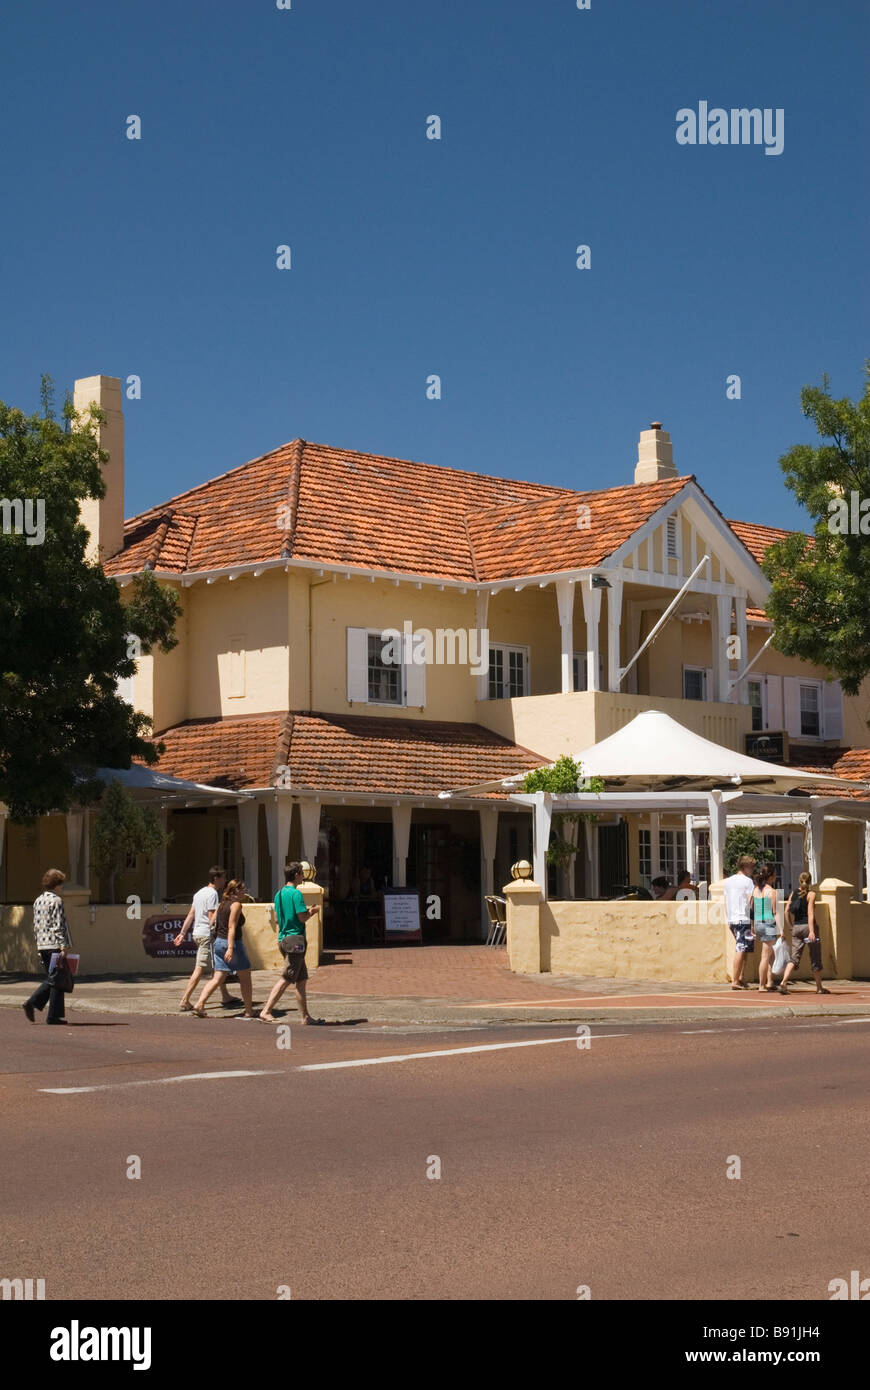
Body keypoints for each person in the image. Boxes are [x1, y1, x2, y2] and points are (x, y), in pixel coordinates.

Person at [260, 863, 323, 1025]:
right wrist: (313, 911)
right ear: (296, 875)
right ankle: (266, 1010)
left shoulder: (279, 894)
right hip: (295, 939)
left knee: (301, 981)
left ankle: (305, 1017)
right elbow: (302, 917)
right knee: (287, 977)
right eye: (301, 873)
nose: (303, 876)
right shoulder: (296, 894)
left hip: (283, 938)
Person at [191, 880, 257, 1018]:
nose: (245, 891)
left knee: (218, 977)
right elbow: (232, 927)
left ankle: (199, 1004)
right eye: (243, 888)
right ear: (236, 891)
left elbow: (211, 923)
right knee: (245, 977)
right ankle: (249, 1010)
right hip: (232, 943)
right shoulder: (236, 905)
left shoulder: (221, 905)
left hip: (219, 943)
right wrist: (231, 948)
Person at [175, 866, 236, 1011]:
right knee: (200, 968)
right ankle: (185, 1000)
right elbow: (211, 918)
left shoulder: (198, 893)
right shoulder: (213, 894)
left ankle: (225, 995)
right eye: (223, 878)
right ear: (216, 878)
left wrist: (183, 933)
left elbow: (191, 914)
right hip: (206, 935)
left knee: (218, 965)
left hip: (197, 933)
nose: (225, 881)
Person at [23, 869, 73, 1026]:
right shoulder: (56, 901)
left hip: (43, 944)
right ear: (56, 885)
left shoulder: (38, 900)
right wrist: (63, 945)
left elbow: (36, 925)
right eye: (61, 884)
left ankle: (54, 1016)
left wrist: (39, 945)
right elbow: (58, 925)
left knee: (57, 980)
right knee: (56, 978)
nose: (62, 888)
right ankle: (32, 1002)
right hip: (54, 945)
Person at [779, 872, 831, 996]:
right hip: (808, 928)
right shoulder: (811, 894)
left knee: (794, 957)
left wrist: (791, 926)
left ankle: (784, 982)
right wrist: (812, 931)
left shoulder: (793, 893)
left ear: (799, 880)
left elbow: (786, 911)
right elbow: (810, 913)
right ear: (810, 881)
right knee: (815, 957)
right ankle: (819, 987)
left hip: (796, 927)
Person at [724, 854, 756, 989]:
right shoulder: (748, 882)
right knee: (741, 948)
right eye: (752, 867)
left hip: (732, 919)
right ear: (746, 867)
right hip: (743, 919)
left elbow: (726, 901)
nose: (753, 870)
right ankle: (735, 980)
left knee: (744, 947)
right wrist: (754, 921)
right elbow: (750, 901)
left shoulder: (728, 881)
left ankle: (741, 977)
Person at [752, 864, 781, 992]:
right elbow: (775, 912)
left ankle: (769, 981)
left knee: (770, 954)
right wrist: (781, 929)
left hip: (759, 922)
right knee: (766, 956)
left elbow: (751, 908)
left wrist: (752, 926)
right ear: (771, 876)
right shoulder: (772, 892)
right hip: (768, 923)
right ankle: (762, 985)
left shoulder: (756, 890)